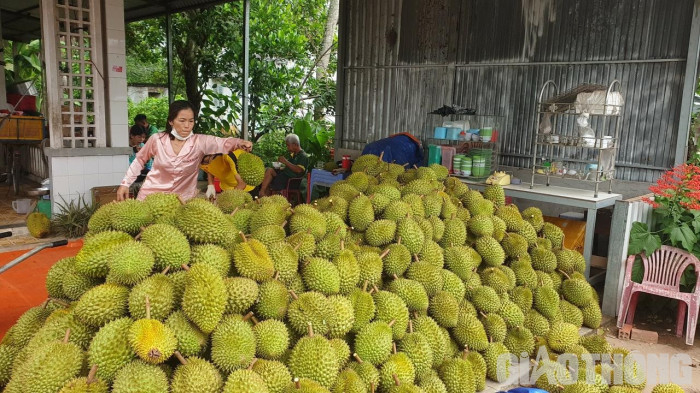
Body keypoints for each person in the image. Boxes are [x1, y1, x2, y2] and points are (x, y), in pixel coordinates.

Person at [117, 100, 252, 201]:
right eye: (182, 120)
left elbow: (222, 142)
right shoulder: (157, 140)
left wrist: (240, 143)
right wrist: (125, 183)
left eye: (191, 121)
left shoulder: (200, 142)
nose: (187, 126)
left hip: (182, 202)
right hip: (151, 198)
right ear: (171, 121)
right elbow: (139, 160)